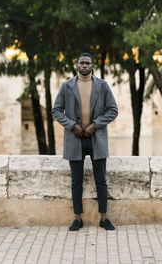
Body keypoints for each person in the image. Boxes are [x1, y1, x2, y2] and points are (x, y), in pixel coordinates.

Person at [52, 52, 118, 231]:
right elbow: (56, 110)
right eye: (81, 62)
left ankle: (104, 218)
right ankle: (77, 218)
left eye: (88, 63)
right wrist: (72, 125)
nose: (84, 65)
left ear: (92, 66)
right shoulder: (67, 86)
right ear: (77, 65)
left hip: (97, 140)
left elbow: (113, 110)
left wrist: (95, 125)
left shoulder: (103, 86)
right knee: (76, 181)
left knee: (101, 180)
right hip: (75, 139)